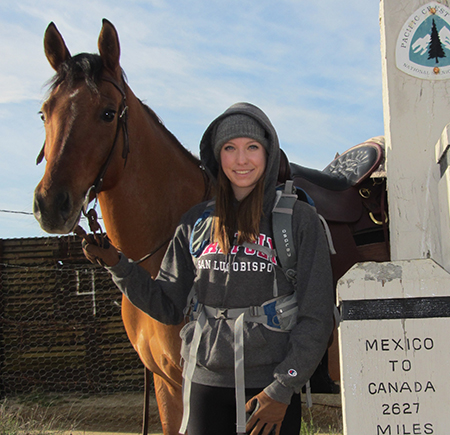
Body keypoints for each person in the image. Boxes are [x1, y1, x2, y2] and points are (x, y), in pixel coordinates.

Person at [78, 102, 334, 435]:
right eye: (230, 148)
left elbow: (316, 316)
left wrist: (283, 387)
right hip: (202, 385)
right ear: (217, 156)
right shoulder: (195, 222)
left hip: (269, 390)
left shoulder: (298, 221)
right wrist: (118, 265)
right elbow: (168, 306)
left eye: (252, 147)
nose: (241, 160)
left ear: (268, 154)